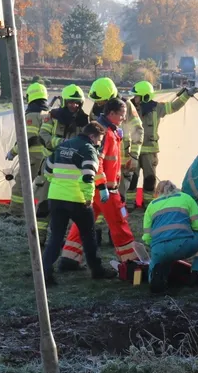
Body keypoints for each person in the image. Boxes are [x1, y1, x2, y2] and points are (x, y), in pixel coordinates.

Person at [58, 98, 141, 269]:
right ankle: (131, 261)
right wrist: (103, 185)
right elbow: (97, 162)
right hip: (106, 190)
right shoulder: (105, 133)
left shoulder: (108, 131)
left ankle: (69, 258)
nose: (123, 119)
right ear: (111, 114)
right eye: (121, 115)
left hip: (96, 188)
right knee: (119, 222)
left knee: (84, 223)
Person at [41, 122, 116, 285]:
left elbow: (47, 171)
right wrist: (89, 197)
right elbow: (88, 176)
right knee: (89, 236)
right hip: (77, 199)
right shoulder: (88, 149)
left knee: (56, 237)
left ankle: (45, 272)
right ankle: (97, 271)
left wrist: (58, 184)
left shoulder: (63, 146)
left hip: (56, 198)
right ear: (92, 136)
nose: (99, 144)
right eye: (99, 140)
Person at [127, 81, 196, 209]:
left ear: (145, 97)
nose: (134, 98)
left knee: (150, 179)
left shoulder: (157, 108)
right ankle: (129, 203)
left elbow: (174, 106)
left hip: (150, 152)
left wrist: (186, 95)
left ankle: (148, 204)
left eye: (137, 96)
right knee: (131, 178)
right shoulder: (129, 107)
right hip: (133, 151)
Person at [142, 180, 198, 294]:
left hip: (159, 249)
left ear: (157, 192)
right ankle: (197, 272)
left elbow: (147, 237)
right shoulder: (186, 198)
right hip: (183, 245)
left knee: (159, 260)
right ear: (175, 188)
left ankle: (156, 278)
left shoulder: (151, 205)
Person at [39, 84, 89, 241]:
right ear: (64, 101)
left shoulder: (85, 120)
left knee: (69, 206)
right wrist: (63, 143)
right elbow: (43, 136)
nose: (73, 106)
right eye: (70, 102)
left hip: (72, 171)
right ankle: (39, 238)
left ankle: (63, 239)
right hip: (51, 168)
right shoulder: (52, 116)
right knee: (43, 204)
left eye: (76, 103)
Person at [87, 77, 144, 209]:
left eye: (101, 100)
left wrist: (134, 156)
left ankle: (115, 224)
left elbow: (138, 130)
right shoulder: (96, 107)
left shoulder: (126, 105)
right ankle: (100, 225)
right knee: (100, 195)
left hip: (122, 158)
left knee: (119, 196)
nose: (98, 103)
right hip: (102, 159)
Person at [7, 82, 50, 217]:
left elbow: (28, 139)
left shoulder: (32, 116)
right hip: (45, 158)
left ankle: (15, 213)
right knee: (43, 187)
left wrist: (13, 152)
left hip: (32, 157)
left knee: (21, 186)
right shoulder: (47, 114)